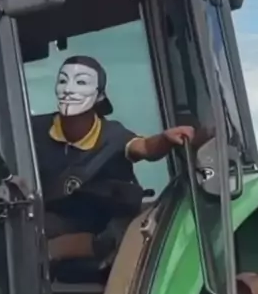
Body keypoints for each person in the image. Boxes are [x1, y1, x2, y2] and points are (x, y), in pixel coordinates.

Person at [32, 54, 206, 268]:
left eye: (81, 82)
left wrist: (165, 139)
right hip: (56, 218)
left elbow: (143, 147)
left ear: (99, 96)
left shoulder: (112, 135)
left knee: (122, 233)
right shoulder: (34, 129)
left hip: (102, 221)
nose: (69, 89)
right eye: (62, 81)